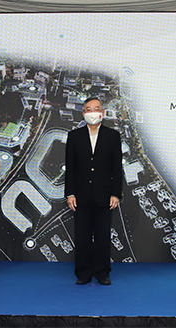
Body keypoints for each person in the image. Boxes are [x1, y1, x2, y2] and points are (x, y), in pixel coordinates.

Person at [64, 97, 123, 286]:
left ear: (102, 113)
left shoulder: (113, 136)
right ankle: (83, 272)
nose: (92, 113)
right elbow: (70, 167)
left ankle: (102, 272)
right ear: (83, 113)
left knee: (102, 236)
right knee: (82, 236)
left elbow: (116, 168)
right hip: (80, 195)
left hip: (104, 196)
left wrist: (116, 193)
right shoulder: (74, 136)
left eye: (96, 109)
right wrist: (70, 193)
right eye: (88, 109)